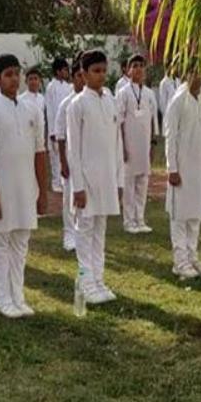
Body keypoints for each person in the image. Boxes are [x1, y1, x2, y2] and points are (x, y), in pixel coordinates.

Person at [0, 54, 48, 318]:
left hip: (25, 188)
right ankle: (2, 296)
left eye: (17, 73)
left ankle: (17, 295)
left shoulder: (31, 108)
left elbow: (40, 152)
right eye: (8, 74)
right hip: (2, 189)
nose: (14, 79)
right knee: (0, 243)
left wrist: (42, 191)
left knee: (20, 243)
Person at [67, 49, 124, 304]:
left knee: (100, 231)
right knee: (84, 232)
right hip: (86, 181)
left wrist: (119, 181)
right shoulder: (77, 105)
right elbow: (73, 149)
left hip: (107, 179)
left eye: (103, 70)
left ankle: (99, 281)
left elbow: (117, 144)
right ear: (83, 73)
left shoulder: (110, 101)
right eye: (95, 71)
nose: (101, 75)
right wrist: (78, 186)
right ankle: (85, 284)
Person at [163, 68, 201, 279]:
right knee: (180, 216)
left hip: (200, 166)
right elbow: (170, 137)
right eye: (195, 73)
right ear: (186, 74)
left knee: (195, 214)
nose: (199, 77)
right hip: (182, 167)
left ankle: (193, 257)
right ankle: (180, 261)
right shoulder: (178, 100)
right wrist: (172, 169)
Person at [117, 54, 158, 233]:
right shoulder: (123, 92)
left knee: (143, 182)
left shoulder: (149, 94)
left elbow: (152, 119)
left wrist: (153, 143)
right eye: (135, 65)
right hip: (129, 144)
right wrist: (122, 147)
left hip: (144, 144)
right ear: (128, 69)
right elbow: (118, 121)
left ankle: (140, 218)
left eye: (142, 65)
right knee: (129, 183)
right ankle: (128, 220)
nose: (139, 69)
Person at [54, 56, 85, 252]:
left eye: (84, 75)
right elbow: (60, 135)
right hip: (70, 158)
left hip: (87, 160)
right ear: (73, 78)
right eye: (79, 76)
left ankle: (81, 233)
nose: (83, 79)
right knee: (69, 197)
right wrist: (63, 162)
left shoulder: (94, 99)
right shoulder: (66, 104)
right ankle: (69, 234)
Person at [44, 58, 72, 193]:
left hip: (67, 125)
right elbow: (50, 110)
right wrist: (52, 131)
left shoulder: (68, 87)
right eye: (65, 70)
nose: (67, 72)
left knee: (65, 153)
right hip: (55, 125)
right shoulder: (51, 87)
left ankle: (64, 178)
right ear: (58, 71)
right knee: (55, 156)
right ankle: (55, 181)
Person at [158, 67, 181, 132]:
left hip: (179, 115)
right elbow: (162, 104)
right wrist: (169, 116)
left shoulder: (178, 80)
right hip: (169, 117)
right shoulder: (164, 83)